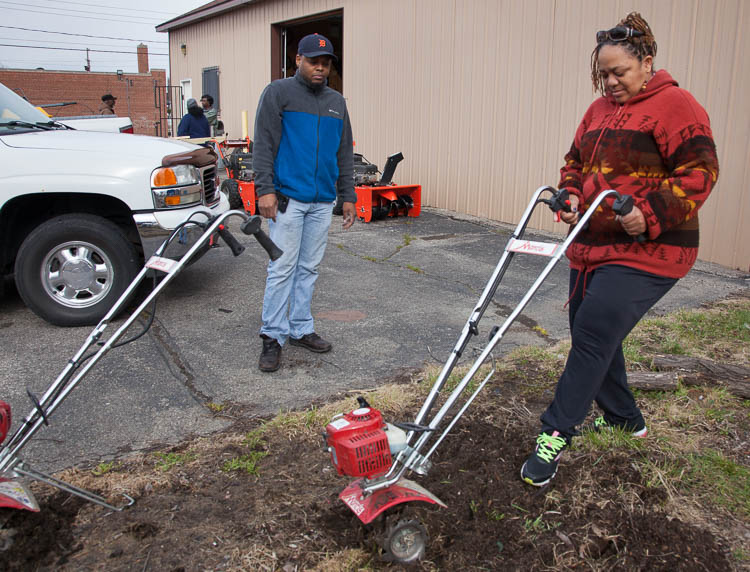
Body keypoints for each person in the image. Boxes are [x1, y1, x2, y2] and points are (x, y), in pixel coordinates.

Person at [520, 12, 719, 487]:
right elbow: (574, 162)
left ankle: (555, 433)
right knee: (594, 333)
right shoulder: (597, 111)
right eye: (603, 74)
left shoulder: (676, 106)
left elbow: (700, 173)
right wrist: (569, 197)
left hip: (653, 250)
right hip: (591, 246)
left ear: (647, 63)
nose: (609, 82)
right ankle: (625, 419)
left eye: (618, 73)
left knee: (592, 332)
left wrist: (648, 213)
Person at [252, 33, 356, 372]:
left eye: (326, 63)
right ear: (298, 60)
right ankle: (272, 336)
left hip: (322, 201)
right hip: (287, 199)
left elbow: (343, 153)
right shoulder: (279, 93)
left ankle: (300, 328)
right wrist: (264, 189)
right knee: (282, 268)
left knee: (308, 268)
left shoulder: (336, 102)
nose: (320, 68)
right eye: (314, 61)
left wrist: (349, 195)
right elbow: (264, 143)